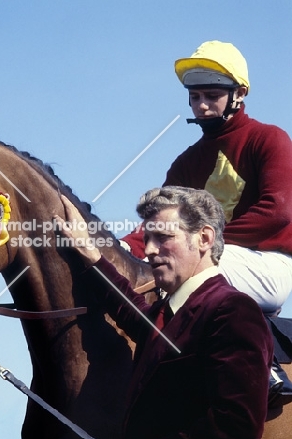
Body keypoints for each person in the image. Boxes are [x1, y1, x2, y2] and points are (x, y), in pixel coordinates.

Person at [55, 186, 273, 439]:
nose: (148, 250)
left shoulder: (232, 310)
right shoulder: (165, 313)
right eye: (146, 239)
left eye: (163, 237)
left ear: (204, 238)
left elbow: (238, 424)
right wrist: (89, 252)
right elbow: (129, 309)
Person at [121, 40, 292, 316]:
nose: (201, 106)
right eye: (195, 97)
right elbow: (160, 223)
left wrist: (198, 240)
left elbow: (276, 213)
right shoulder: (186, 162)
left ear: (240, 93)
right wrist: (123, 246)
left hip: (268, 262)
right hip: (202, 252)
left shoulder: (270, 139)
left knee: (176, 263)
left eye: (211, 96)